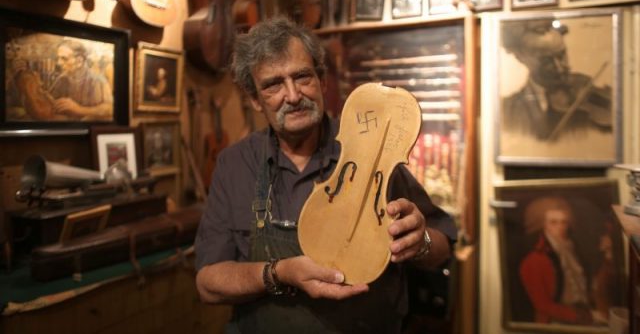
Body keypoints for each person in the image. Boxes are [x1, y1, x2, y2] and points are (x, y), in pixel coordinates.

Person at [194, 17, 457, 333]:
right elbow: (208, 284)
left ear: (322, 81)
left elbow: (443, 245)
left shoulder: (372, 149)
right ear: (254, 99)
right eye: (273, 84)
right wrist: (279, 273)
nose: (293, 96)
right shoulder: (234, 164)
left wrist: (422, 242)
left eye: (302, 77)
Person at [501, 19, 612, 141]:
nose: (560, 68)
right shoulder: (507, 111)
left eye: (561, 55)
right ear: (522, 58)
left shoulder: (586, 92)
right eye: (546, 61)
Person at [519, 197, 609, 325]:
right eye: (554, 222)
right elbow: (543, 305)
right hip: (556, 322)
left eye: (564, 222)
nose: (560, 227)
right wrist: (587, 316)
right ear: (543, 224)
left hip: (584, 314)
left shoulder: (573, 249)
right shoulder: (535, 260)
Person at [12, 39, 113, 121]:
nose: (59, 63)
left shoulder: (97, 80)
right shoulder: (62, 78)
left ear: (79, 61)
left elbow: (109, 109)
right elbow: (51, 102)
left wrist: (79, 109)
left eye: (64, 58)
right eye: (58, 58)